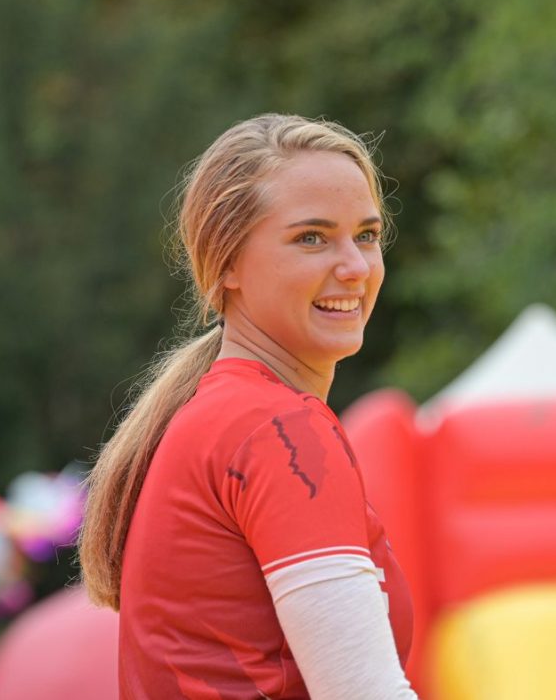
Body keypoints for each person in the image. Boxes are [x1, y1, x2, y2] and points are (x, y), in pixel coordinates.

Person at [77, 114, 417, 699]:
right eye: (311, 238)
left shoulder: (223, 415)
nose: (356, 267)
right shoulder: (279, 431)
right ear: (227, 262)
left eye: (366, 235)